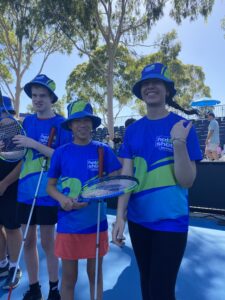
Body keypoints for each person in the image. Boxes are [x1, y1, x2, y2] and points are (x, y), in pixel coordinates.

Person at [112, 62, 202, 300]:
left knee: (161, 291)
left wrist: (179, 143)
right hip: (139, 222)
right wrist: (120, 216)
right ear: (141, 91)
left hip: (171, 222)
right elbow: (126, 178)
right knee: (146, 285)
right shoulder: (132, 131)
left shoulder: (183, 127)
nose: (150, 87)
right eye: (145, 83)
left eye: (156, 82)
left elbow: (187, 181)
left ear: (167, 90)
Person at [47, 100, 121, 300]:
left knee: (95, 276)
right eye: (77, 121)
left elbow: (116, 177)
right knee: (69, 278)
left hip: (95, 224)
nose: (82, 125)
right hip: (68, 225)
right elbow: (50, 186)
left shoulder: (103, 150)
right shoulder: (61, 152)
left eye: (86, 120)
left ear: (92, 123)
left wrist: (99, 190)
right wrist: (63, 199)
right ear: (70, 125)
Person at [12, 74, 71, 300]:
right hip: (26, 191)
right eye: (34, 95)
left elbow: (63, 157)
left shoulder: (61, 124)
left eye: (42, 96)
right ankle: (34, 287)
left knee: (48, 242)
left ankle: (54, 288)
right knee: (27, 241)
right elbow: (19, 152)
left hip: (48, 192)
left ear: (51, 98)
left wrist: (33, 144)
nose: (37, 99)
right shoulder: (26, 122)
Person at [0, 96, 22, 289]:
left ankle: (15, 267)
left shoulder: (16, 132)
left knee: (13, 228)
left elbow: (22, 164)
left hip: (11, 188)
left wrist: (5, 183)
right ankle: (2, 265)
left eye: (7, 112)